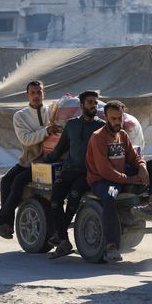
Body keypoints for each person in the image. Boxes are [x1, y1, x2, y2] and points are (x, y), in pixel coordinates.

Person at [0, 80, 61, 239]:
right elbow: (27, 139)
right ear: (27, 95)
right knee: (6, 181)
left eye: (39, 92)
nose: (36, 96)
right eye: (33, 93)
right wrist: (47, 130)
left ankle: (1, 222)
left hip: (45, 162)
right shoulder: (20, 116)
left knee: (18, 182)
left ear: (44, 94)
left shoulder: (52, 112)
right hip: (28, 161)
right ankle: (6, 224)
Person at [86, 101, 152, 263]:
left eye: (119, 118)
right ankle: (110, 246)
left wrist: (142, 167)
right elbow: (105, 171)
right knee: (110, 197)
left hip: (121, 177)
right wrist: (131, 179)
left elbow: (134, 158)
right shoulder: (98, 137)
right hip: (105, 182)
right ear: (106, 117)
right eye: (113, 119)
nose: (117, 122)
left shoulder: (122, 135)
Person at [44, 90, 105, 259]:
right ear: (82, 105)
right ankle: (63, 240)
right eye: (90, 102)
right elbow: (60, 148)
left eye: (95, 103)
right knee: (55, 201)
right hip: (68, 170)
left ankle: (60, 237)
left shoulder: (101, 127)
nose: (94, 105)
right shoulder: (71, 125)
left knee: (73, 199)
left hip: (87, 173)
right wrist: (46, 159)